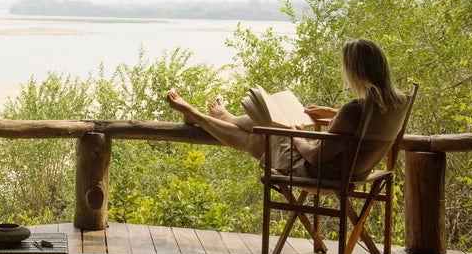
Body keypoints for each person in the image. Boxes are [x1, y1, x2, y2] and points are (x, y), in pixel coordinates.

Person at [166, 38, 409, 179]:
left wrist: (295, 133)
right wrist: (333, 113)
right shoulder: (397, 103)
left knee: (258, 139)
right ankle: (223, 116)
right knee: (269, 123)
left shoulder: (354, 109)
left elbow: (315, 156)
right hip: (355, 172)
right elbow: (368, 125)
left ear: (356, 71)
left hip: (322, 174)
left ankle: (197, 116)